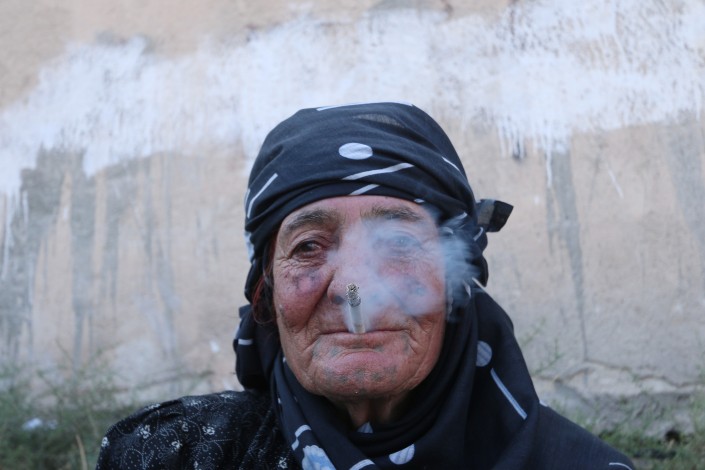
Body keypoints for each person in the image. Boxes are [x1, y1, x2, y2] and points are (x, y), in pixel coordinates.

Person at [97, 102, 634, 469]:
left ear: (457, 280)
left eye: (398, 244)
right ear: (266, 289)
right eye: (309, 246)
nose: (353, 287)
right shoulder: (172, 456)